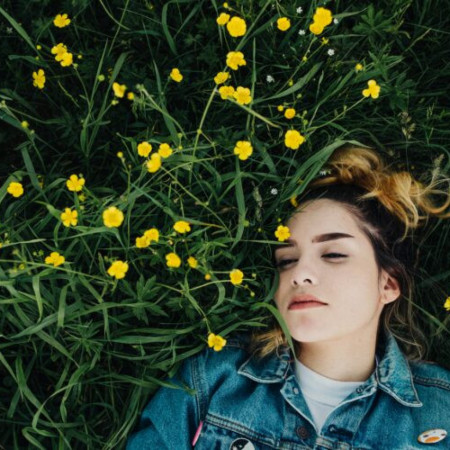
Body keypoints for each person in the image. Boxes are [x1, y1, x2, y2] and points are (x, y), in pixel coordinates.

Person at [127, 145, 450, 449]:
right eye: (286, 260)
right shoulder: (215, 378)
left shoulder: (440, 408)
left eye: (333, 254)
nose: (299, 273)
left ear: (388, 284)